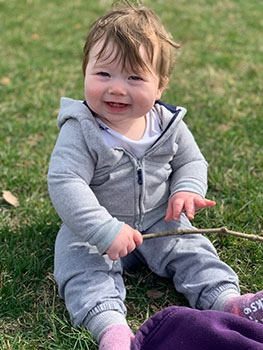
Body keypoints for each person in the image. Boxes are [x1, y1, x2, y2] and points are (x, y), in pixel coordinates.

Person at [47, 1, 263, 349]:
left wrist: (186, 190)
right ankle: (112, 331)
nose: (117, 88)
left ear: (160, 86)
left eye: (134, 77)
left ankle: (228, 302)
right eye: (104, 74)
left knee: (193, 251)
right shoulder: (81, 131)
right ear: (85, 71)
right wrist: (104, 230)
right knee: (82, 269)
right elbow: (65, 182)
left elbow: (192, 162)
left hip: (160, 220)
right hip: (94, 230)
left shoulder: (167, 125)